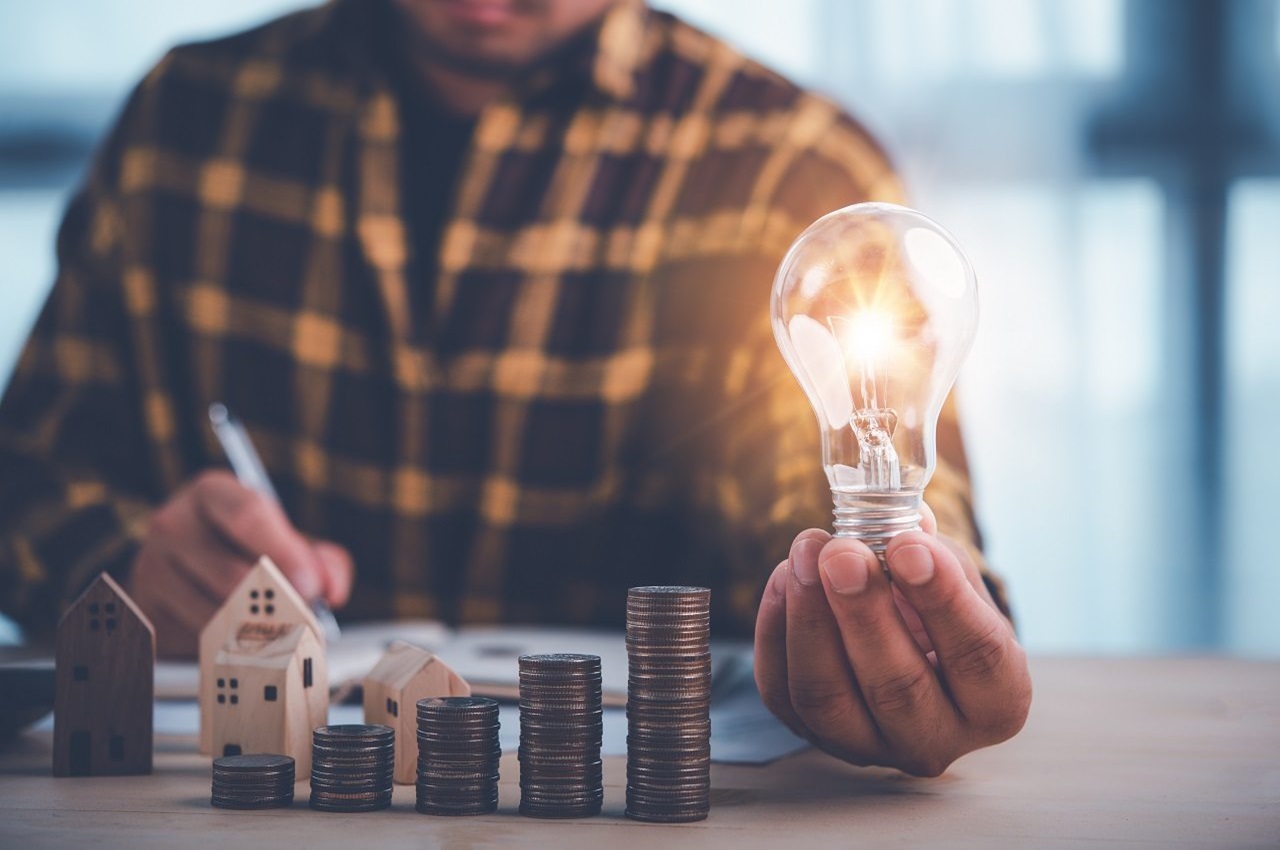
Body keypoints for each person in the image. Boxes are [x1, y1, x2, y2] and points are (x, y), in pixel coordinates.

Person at [0, 0, 1030, 776]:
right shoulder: (186, 123)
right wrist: (124, 565)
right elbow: (27, 471)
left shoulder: (787, 171)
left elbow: (857, 502)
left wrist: (899, 618)